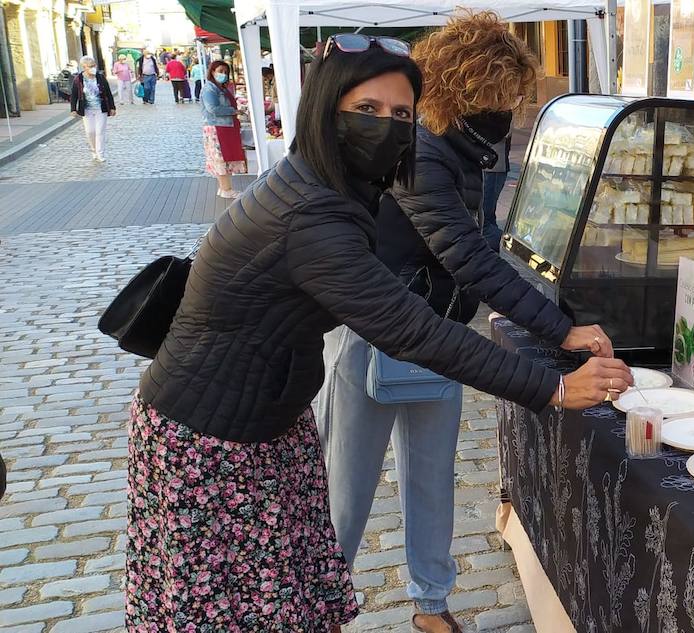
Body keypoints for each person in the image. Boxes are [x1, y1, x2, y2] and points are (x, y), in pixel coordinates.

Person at [123, 35, 632, 632]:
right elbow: (410, 326)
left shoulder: (330, 188)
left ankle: (425, 604)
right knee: (237, 607)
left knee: (300, 585)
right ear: (324, 107)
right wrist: (552, 387)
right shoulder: (310, 214)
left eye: (400, 115)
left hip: (266, 423)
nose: (388, 127)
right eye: (367, 111)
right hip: (211, 440)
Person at [315, 17, 606, 633]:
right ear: (465, 89)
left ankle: (431, 605)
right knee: (346, 488)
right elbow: (468, 257)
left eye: (511, 99)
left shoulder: (463, 147)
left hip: (440, 336)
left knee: (431, 479)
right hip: (378, 335)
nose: (507, 110)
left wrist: (545, 299)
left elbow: (485, 243)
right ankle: (316, 606)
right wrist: (558, 328)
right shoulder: (418, 150)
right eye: (498, 97)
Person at [201, 60, 247, 199]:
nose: (223, 74)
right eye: (220, 71)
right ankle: (226, 189)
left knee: (223, 159)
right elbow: (213, 108)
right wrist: (233, 111)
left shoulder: (220, 88)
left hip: (224, 126)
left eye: (226, 72)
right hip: (217, 127)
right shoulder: (210, 88)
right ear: (213, 71)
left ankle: (223, 188)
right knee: (221, 159)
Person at [70, 56, 115, 162]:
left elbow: (108, 93)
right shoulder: (79, 79)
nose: (92, 68)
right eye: (90, 66)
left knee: (100, 131)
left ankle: (100, 153)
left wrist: (112, 107)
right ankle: (94, 150)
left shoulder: (100, 77)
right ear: (84, 67)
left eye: (93, 65)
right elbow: (74, 95)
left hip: (100, 108)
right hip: (87, 109)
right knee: (90, 131)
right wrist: (73, 109)